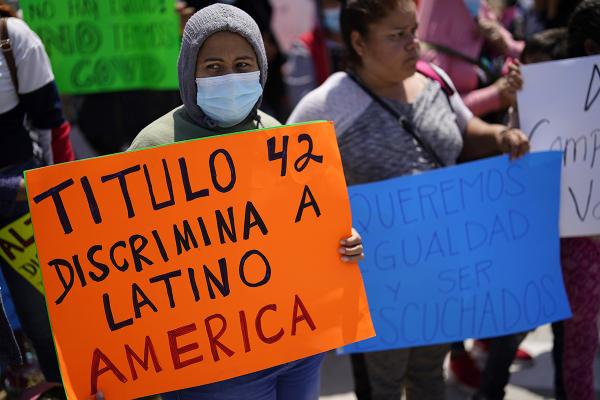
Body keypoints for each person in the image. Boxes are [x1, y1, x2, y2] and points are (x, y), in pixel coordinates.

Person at [288, 0, 529, 399]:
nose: (413, 44)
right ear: (359, 43)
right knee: (381, 386)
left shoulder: (435, 79)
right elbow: (288, 181)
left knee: (430, 376)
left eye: (413, 31)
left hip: (442, 271)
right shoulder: (327, 105)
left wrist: (501, 137)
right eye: (396, 36)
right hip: (377, 282)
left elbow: (468, 130)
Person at [126, 4, 364, 399]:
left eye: (243, 64)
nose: (231, 77)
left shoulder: (278, 135)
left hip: (297, 347)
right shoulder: (153, 146)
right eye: (214, 67)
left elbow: (299, 223)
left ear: (262, 67)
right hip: (212, 365)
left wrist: (339, 239)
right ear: (189, 71)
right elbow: (128, 269)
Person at [0, 0, 73, 385]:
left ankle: (61, 383)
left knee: (44, 318)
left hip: (20, 204)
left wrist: (61, 199)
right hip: (16, 193)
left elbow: (52, 126)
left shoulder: (11, 39)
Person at [558, 3, 600, 399]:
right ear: (591, 47)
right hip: (582, 242)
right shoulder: (558, 99)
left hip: (583, 240)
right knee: (582, 340)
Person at [285, 0, 346, 108]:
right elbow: (302, 102)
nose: (337, 9)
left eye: (339, 3)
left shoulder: (363, 44)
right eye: (330, 4)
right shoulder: (304, 48)